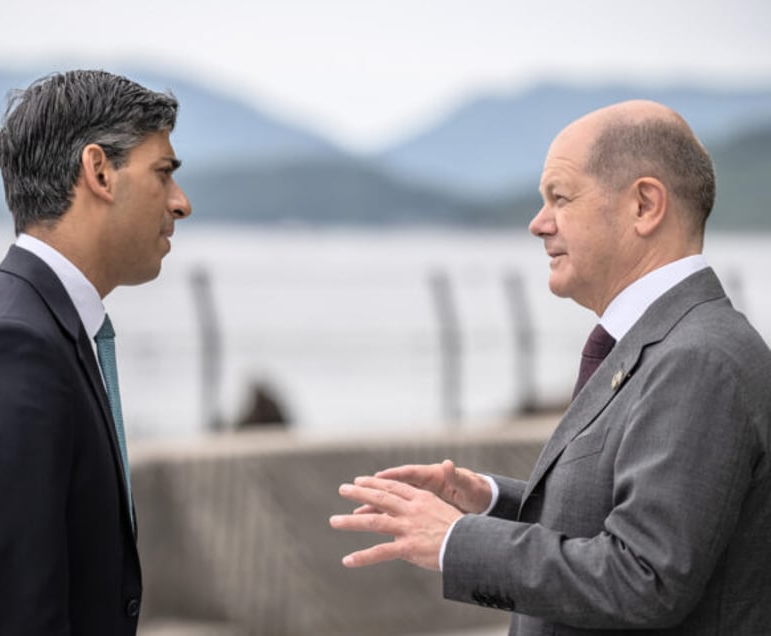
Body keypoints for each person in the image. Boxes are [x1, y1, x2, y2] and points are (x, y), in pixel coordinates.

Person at [330, 100, 771, 634]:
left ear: (645, 206)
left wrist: (452, 539)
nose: (539, 224)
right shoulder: (672, 343)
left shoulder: (696, 359)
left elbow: (644, 578)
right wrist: (490, 503)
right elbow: (618, 525)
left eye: (559, 198)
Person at [0, 70, 192, 635]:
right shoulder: (12, 342)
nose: (180, 202)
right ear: (98, 172)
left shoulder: (2, 310)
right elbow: (13, 612)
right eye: (163, 173)